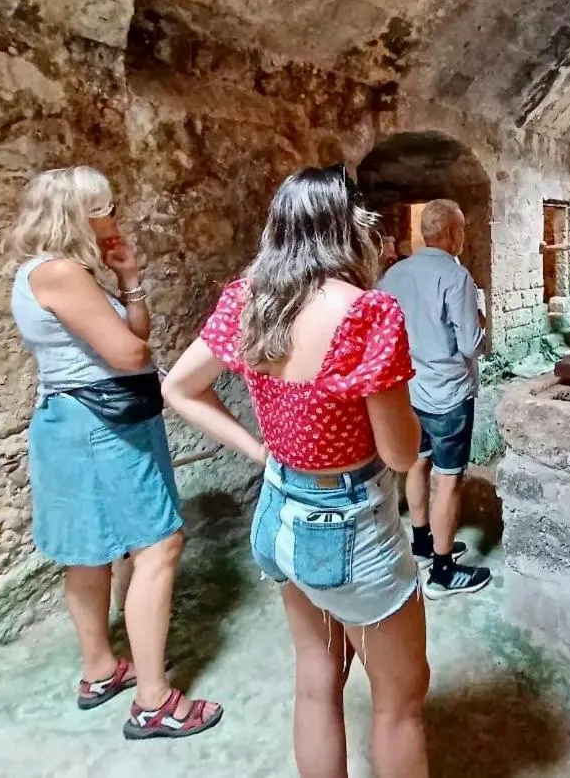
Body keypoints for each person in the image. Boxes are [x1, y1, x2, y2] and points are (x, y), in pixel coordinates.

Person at [162, 165, 429, 778]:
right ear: (349, 227)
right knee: (401, 703)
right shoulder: (367, 315)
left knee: (316, 677)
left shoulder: (251, 300)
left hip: (279, 510)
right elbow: (397, 454)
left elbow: (180, 386)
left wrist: (260, 453)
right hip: (351, 525)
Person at [4, 167, 223, 739]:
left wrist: (128, 278)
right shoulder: (59, 272)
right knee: (159, 544)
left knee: (90, 549)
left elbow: (136, 329)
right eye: (106, 209)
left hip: (82, 420)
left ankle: (100, 670)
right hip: (98, 423)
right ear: (79, 214)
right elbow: (131, 353)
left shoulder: (63, 272)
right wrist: (136, 338)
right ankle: (153, 702)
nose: (114, 219)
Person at [377, 199, 492, 599]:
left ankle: (422, 542)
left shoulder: (393, 275)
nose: (464, 236)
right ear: (447, 233)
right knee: (448, 478)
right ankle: (443, 571)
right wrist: (481, 316)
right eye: (461, 230)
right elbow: (470, 344)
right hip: (447, 392)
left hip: (408, 389)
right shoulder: (454, 276)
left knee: (417, 462)